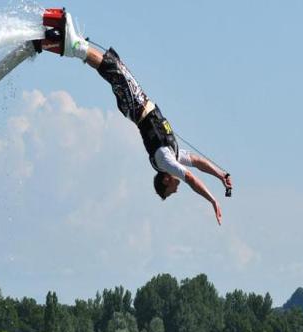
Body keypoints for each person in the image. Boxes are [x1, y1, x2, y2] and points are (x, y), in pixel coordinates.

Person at [48, 13, 232, 225]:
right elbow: (198, 164)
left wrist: (212, 200)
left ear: (165, 180)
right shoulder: (172, 156)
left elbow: (190, 178)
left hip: (136, 106)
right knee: (114, 65)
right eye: (174, 189)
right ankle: (71, 45)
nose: (177, 188)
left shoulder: (165, 161)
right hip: (138, 104)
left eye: (172, 190)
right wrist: (221, 176)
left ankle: (74, 46)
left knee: (114, 71)